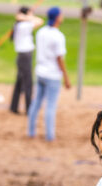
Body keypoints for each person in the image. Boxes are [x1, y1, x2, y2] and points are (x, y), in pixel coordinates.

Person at [27, 7, 71, 140]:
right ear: (57, 17)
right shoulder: (58, 36)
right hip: (52, 74)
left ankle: (31, 131)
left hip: (40, 71)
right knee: (50, 105)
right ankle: (50, 135)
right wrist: (66, 77)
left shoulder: (41, 32)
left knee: (36, 102)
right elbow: (59, 58)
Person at [9, 6, 43, 115]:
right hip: (25, 56)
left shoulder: (19, 24)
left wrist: (24, 16)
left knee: (19, 82)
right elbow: (40, 21)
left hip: (21, 56)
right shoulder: (25, 25)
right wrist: (27, 16)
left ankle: (13, 107)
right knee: (28, 83)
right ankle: (29, 109)